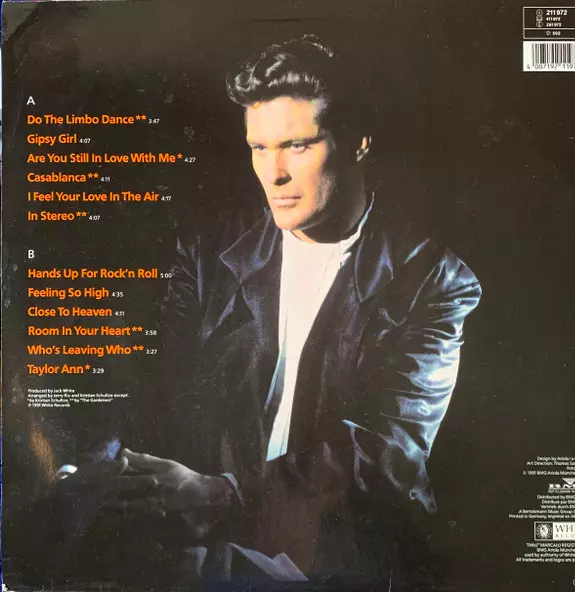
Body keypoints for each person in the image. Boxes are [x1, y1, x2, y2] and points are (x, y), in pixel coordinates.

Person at [19, 35, 482, 589]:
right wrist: (95, 467)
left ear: (359, 141)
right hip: (212, 540)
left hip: (349, 553)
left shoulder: (433, 278)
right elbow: (151, 383)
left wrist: (222, 496)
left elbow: (386, 452)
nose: (273, 173)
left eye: (297, 145)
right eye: (259, 148)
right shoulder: (210, 254)